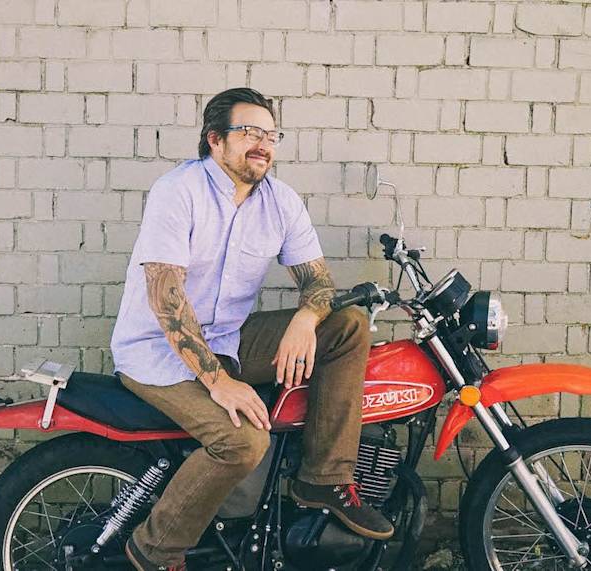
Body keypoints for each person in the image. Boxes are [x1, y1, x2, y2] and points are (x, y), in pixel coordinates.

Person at [110, 87, 393, 571]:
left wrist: (306, 318)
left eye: (271, 134)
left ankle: (324, 477)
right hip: (157, 351)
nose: (263, 143)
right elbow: (166, 296)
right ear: (215, 140)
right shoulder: (178, 191)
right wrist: (219, 382)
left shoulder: (281, 202)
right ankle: (153, 549)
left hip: (230, 337)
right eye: (249, 132)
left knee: (347, 324)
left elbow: (318, 280)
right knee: (243, 442)